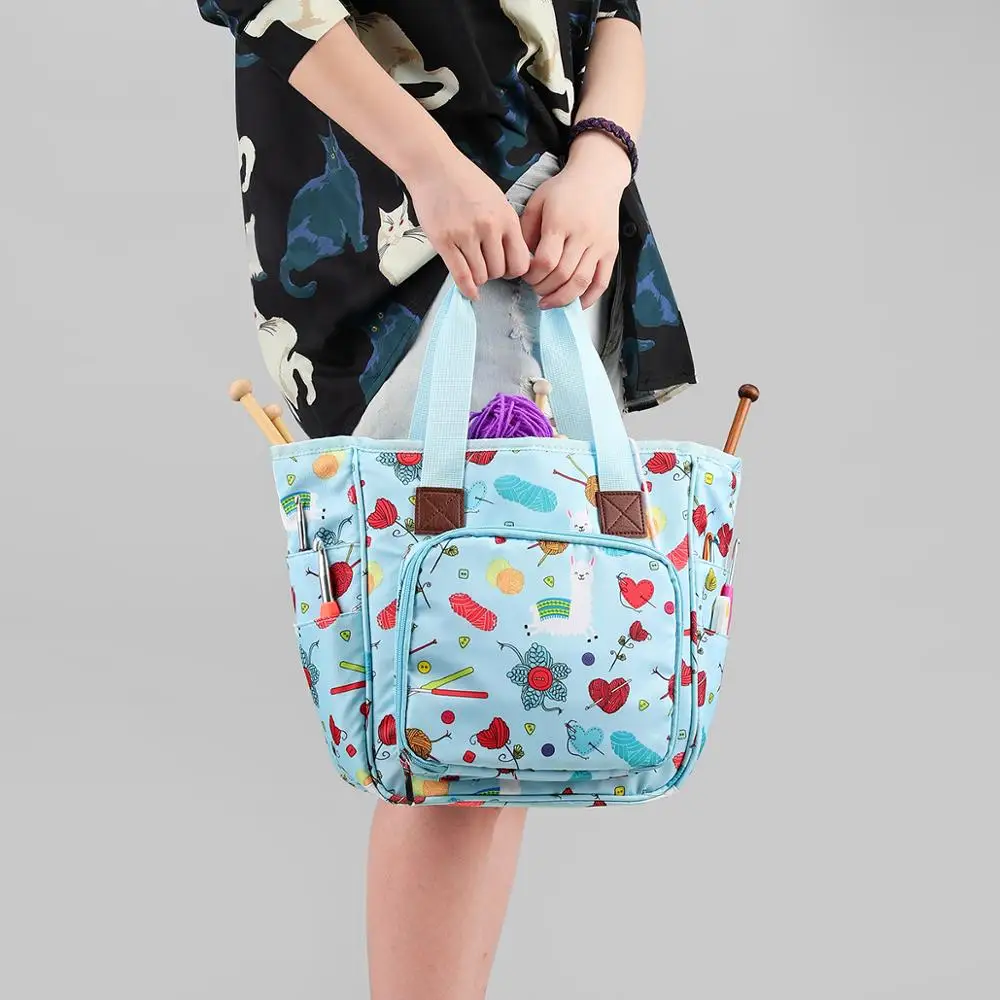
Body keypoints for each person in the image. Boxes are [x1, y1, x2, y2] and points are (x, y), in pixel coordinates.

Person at [198, 3, 696, 997]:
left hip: (553, 216)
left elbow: (613, 12)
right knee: (463, 705)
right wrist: (432, 168)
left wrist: (600, 164)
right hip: (412, 219)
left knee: (486, 715)